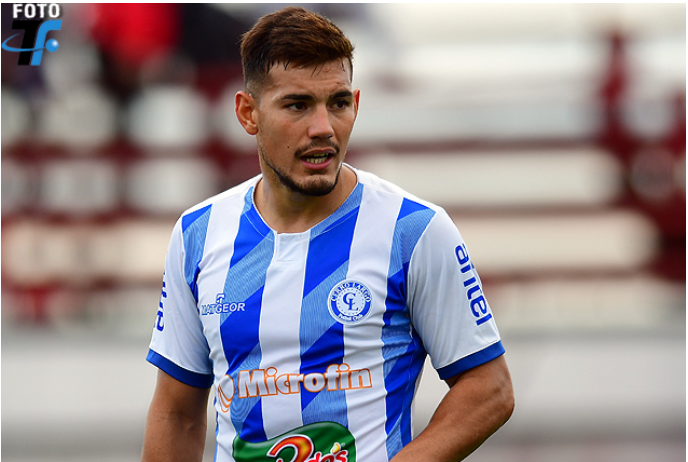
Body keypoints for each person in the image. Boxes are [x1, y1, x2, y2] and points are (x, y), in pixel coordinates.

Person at [141, 6, 513, 462]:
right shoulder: (198, 234)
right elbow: (177, 413)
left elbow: (489, 388)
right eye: (297, 105)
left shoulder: (413, 230)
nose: (323, 128)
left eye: (337, 103)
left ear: (355, 104)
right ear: (248, 113)